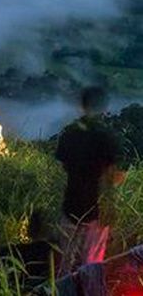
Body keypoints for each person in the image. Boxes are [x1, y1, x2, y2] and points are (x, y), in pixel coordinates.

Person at [55, 87, 125, 276]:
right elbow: (111, 176)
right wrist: (111, 205)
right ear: (103, 107)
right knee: (92, 266)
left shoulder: (69, 134)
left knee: (64, 264)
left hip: (69, 206)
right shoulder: (106, 137)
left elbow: (63, 168)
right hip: (96, 211)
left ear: (82, 105)